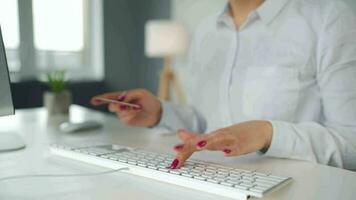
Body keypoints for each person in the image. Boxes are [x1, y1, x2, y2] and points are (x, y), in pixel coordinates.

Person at [91, 0, 356, 171]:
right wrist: (160, 113)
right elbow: (207, 122)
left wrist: (268, 134)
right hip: (209, 182)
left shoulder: (330, 18)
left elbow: (351, 144)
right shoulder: (206, 30)